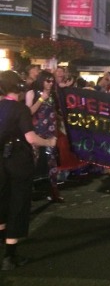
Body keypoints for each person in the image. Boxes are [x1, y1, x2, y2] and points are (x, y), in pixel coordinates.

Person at [0, 70, 57, 270]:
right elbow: (31, 138)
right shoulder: (19, 109)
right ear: (19, 87)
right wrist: (49, 141)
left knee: (2, 200)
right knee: (18, 204)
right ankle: (10, 255)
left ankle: (3, 238)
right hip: (17, 161)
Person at [25, 70, 64, 203]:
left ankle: (54, 192)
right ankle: (27, 193)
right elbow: (28, 112)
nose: (50, 84)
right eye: (48, 81)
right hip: (36, 133)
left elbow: (55, 112)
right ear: (41, 80)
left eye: (52, 81)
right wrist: (41, 99)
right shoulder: (32, 93)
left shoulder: (53, 94)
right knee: (33, 161)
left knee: (51, 162)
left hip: (51, 132)